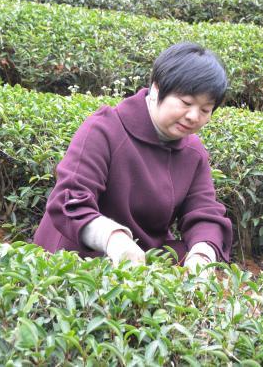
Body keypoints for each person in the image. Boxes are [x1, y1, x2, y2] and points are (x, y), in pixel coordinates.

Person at [33, 42, 233, 277]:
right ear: (157, 89)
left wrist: (202, 254)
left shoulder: (193, 152)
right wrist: (114, 239)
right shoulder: (104, 129)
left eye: (205, 110)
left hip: (143, 259)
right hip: (80, 257)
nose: (193, 116)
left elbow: (204, 212)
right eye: (186, 103)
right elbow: (69, 201)